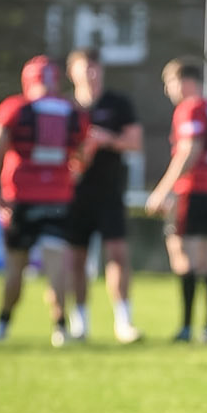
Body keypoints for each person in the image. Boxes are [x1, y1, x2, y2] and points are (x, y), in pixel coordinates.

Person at [0, 56, 85, 347]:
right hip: (58, 197)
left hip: (21, 199)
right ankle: (60, 327)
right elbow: (82, 153)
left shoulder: (15, 107)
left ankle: (2, 323)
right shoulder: (71, 111)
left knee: (16, 266)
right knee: (57, 266)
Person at [64, 46, 143, 343]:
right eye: (85, 68)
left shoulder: (118, 104)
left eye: (96, 67)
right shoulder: (66, 108)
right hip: (74, 195)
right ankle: (79, 322)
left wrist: (106, 139)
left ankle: (124, 321)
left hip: (110, 193)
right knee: (76, 259)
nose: (91, 74)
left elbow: (134, 142)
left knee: (118, 255)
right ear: (73, 73)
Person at [145, 59, 207, 344]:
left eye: (169, 83)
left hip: (192, 191)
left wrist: (163, 190)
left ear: (184, 81)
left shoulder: (189, 108)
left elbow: (190, 150)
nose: (169, 91)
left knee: (183, 255)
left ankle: (186, 327)